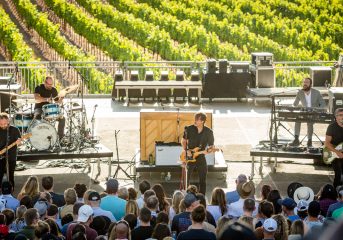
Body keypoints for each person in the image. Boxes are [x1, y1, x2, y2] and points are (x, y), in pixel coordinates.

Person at [182, 112, 214, 195]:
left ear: (202, 121)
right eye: (195, 119)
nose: (195, 121)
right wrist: (186, 150)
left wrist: (209, 150)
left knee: (203, 179)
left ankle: (202, 196)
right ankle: (186, 195)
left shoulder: (208, 132)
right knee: (186, 178)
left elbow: (211, 146)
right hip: (189, 156)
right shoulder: (189, 129)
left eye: (197, 119)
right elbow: (183, 141)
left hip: (200, 156)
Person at [290, 77, 325, 147]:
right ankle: (296, 139)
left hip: (314, 113)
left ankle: (309, 140)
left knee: (310, 122)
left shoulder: (316, 92)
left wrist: (317, 110)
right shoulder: (300, 92)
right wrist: (292, 108)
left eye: (307, 82)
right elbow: (295, 104)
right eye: (304, 82)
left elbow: (323, 104)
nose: (305, 84)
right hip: (304, 112)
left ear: (310, 84)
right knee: (297, 120)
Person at [0, 112, 21, 188]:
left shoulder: (14, 130)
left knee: (10, 175)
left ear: (8, 121)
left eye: (5, 123)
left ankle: (11, 190)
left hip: (11, 156)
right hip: (0, 156)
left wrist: (19, 142)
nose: (3, 126)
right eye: (1, 124)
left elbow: (20, 143)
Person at [325, 108, 343, 188]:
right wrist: (337, 152)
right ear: (336, 117)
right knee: (338, 173)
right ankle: (336, 193)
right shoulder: (331, 127)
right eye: (341, 115)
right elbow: (327, 143)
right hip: (334, 153)